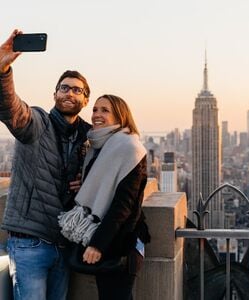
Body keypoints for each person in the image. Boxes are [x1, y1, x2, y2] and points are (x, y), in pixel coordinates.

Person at [0, 29, 91, 300]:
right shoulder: (38, 122)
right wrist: (3, 69)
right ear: (55, 94)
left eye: (77, 90)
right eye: (64, 88)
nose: (69, 93)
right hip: (30, 243)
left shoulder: (89, 138)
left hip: (64, 245)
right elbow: (12, 110)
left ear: (85, 100)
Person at [59, 94, 150, 300]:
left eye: (105, 110)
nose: (97, 114)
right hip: (105, 237)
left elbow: (123, 205)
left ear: (121, 116)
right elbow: (103, 188)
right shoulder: (98, 148)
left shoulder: (129, 149)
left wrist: (97, 244)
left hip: (121, 243)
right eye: (95, 110)